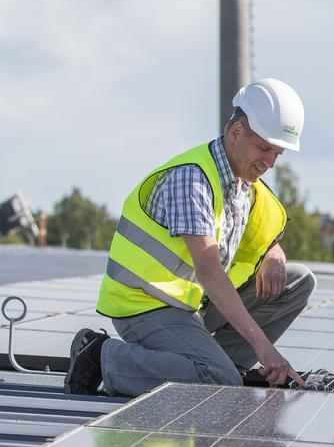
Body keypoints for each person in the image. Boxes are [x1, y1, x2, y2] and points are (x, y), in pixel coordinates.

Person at [65, 78, 316, 397]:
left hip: (191, 305)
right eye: (264, 148)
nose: (270, 162)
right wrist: (263, 347)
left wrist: (274, 256)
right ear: (236, 132)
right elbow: (209, 268)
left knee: (299, 281)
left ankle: (217, 364)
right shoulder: (191, 179)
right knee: (217, 381)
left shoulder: (243, 185)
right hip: (145, 304)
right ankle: (102, 357)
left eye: (277, 153)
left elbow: (264, 237)